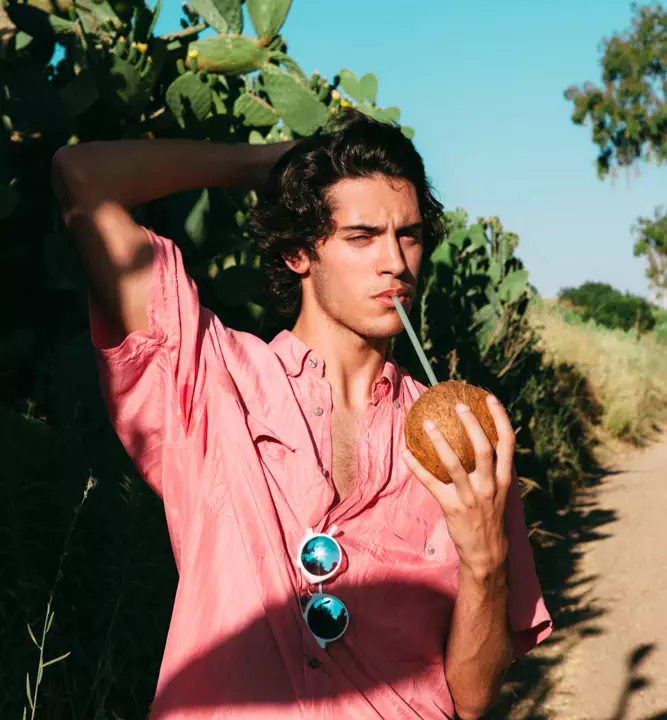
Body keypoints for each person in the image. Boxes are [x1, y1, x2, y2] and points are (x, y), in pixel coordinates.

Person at [52, 112, 552, 720]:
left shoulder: (464, 436)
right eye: (362, 236)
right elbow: (81, 176)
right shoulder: (211, 381)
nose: (396, 262)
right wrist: (268, 164)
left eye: (410, 235)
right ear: (297, 251)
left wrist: (486, 561)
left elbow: (472, 699)